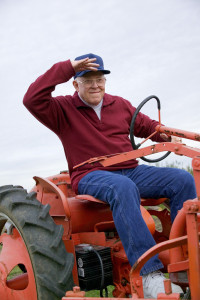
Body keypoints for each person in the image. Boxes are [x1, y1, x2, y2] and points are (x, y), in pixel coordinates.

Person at [23, 53, 196, 298]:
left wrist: (166, 136)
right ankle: (149, 275)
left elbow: (148, 127)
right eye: (87, 79)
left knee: (183, 180)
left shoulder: (120, 105)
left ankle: (184, 263)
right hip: (90, 174)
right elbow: (31, 98)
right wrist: (67, 67)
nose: (95, 85)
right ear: (75, 83)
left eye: (100, 79)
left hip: (131, 169)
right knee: (122, 187)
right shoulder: (62, 109)